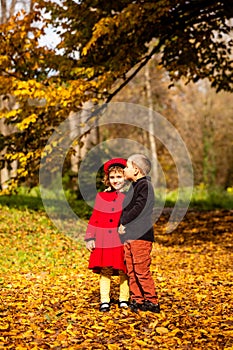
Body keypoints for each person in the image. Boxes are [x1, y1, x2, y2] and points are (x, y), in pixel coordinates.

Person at [85, 158, 130, 312]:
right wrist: (90, 237)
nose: (115, 180)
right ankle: (105, 299)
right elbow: (95, 217)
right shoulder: (101, 197)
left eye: (119, 176)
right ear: (107, 179)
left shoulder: (129, 196)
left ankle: (124, 298)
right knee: (106, 269)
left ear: (125, 177)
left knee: (124, 268)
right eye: (112, 177)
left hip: (121, 238)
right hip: (104, 238)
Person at [118, 153, 160, 313]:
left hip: (141, 236)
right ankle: (137, 298)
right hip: (129, 235)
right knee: (131, 269)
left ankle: (151, 300)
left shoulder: (145, 186)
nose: (124, 169)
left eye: (127, 167)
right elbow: (127, 206)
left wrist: (124, 221)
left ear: (136, 170)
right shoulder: (134, 186)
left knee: (141, 269)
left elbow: (139, 207)